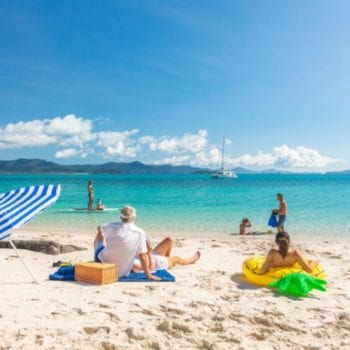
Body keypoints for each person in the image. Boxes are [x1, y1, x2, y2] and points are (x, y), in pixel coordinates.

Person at [93, 206, 160, 280]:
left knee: (100, 235)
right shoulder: (140, 233)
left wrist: (102, 232)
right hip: (121, 272)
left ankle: (96, 260)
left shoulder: (111, 226)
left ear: (120, 217)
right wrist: (149, 275)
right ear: (134, 217)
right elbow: (142, 255)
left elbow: (100, 228)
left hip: (101, 262)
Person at [132, 237, 201, 272]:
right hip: (158, 262)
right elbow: (150, 269)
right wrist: (149, 253)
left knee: (169, 240)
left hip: (151, 255)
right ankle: (192, 260)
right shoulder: (133, 264)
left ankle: (168, 260)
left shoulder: (124, 255)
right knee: (177, 259)